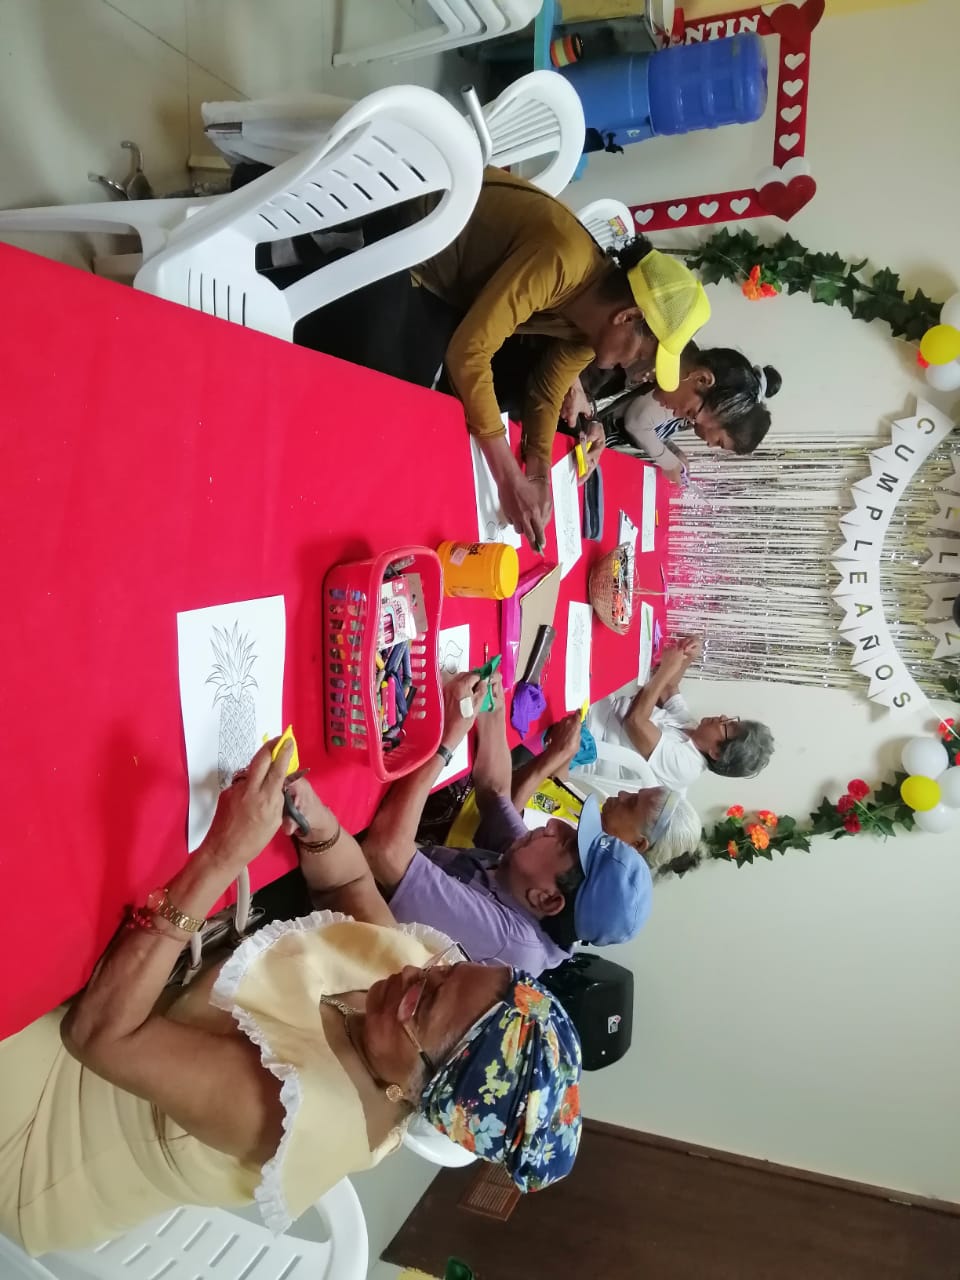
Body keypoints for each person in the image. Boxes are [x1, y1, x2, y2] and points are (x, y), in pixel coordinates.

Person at [0, 739, 581, 1256]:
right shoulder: (415, 994)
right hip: (123, 987)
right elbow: (350, 885)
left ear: (414, 1091)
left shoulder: (291, 1114)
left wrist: (223, 857)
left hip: (46, 1122)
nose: (413, 972)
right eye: (448, 968)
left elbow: (100, 1036)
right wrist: (318, 827)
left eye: (423, 1002)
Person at [249, 165, 710, 551]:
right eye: (646, 355)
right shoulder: (562, 261)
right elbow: (468, 352)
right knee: (380, 392)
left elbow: (547, 389)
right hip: (413, 241)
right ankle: (261, 300)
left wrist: (537, 473)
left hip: (449, 292)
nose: (640, 372)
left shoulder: (590, 329)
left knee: (416, 414)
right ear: (628, 317)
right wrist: (508, 477)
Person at [359, 674, 687, 974]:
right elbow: (495, 794)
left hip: (345, 902)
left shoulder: (509, 941)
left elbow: (385, 853)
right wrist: (493, 710)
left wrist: (446, 743)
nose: (555, 826)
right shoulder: (528, 880)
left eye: (566, 843)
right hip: (377, 852)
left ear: (548, 899)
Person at [562, 346, 781, 483]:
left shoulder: (653, 379)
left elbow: (596, 402)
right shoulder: (639, 349)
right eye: (691, 412)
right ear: (702, 379)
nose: (675, 413)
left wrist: (593, 422)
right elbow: (566, 359)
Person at [582, 638, 775, 793]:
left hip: (586, 735)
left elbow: (635, 722)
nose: (722, 717)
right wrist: (688, 656)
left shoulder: (686, 766)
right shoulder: (693, 729)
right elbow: (669, 688)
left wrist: (666, 669)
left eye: (727, 726)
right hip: (596, 705)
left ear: (716, 753)